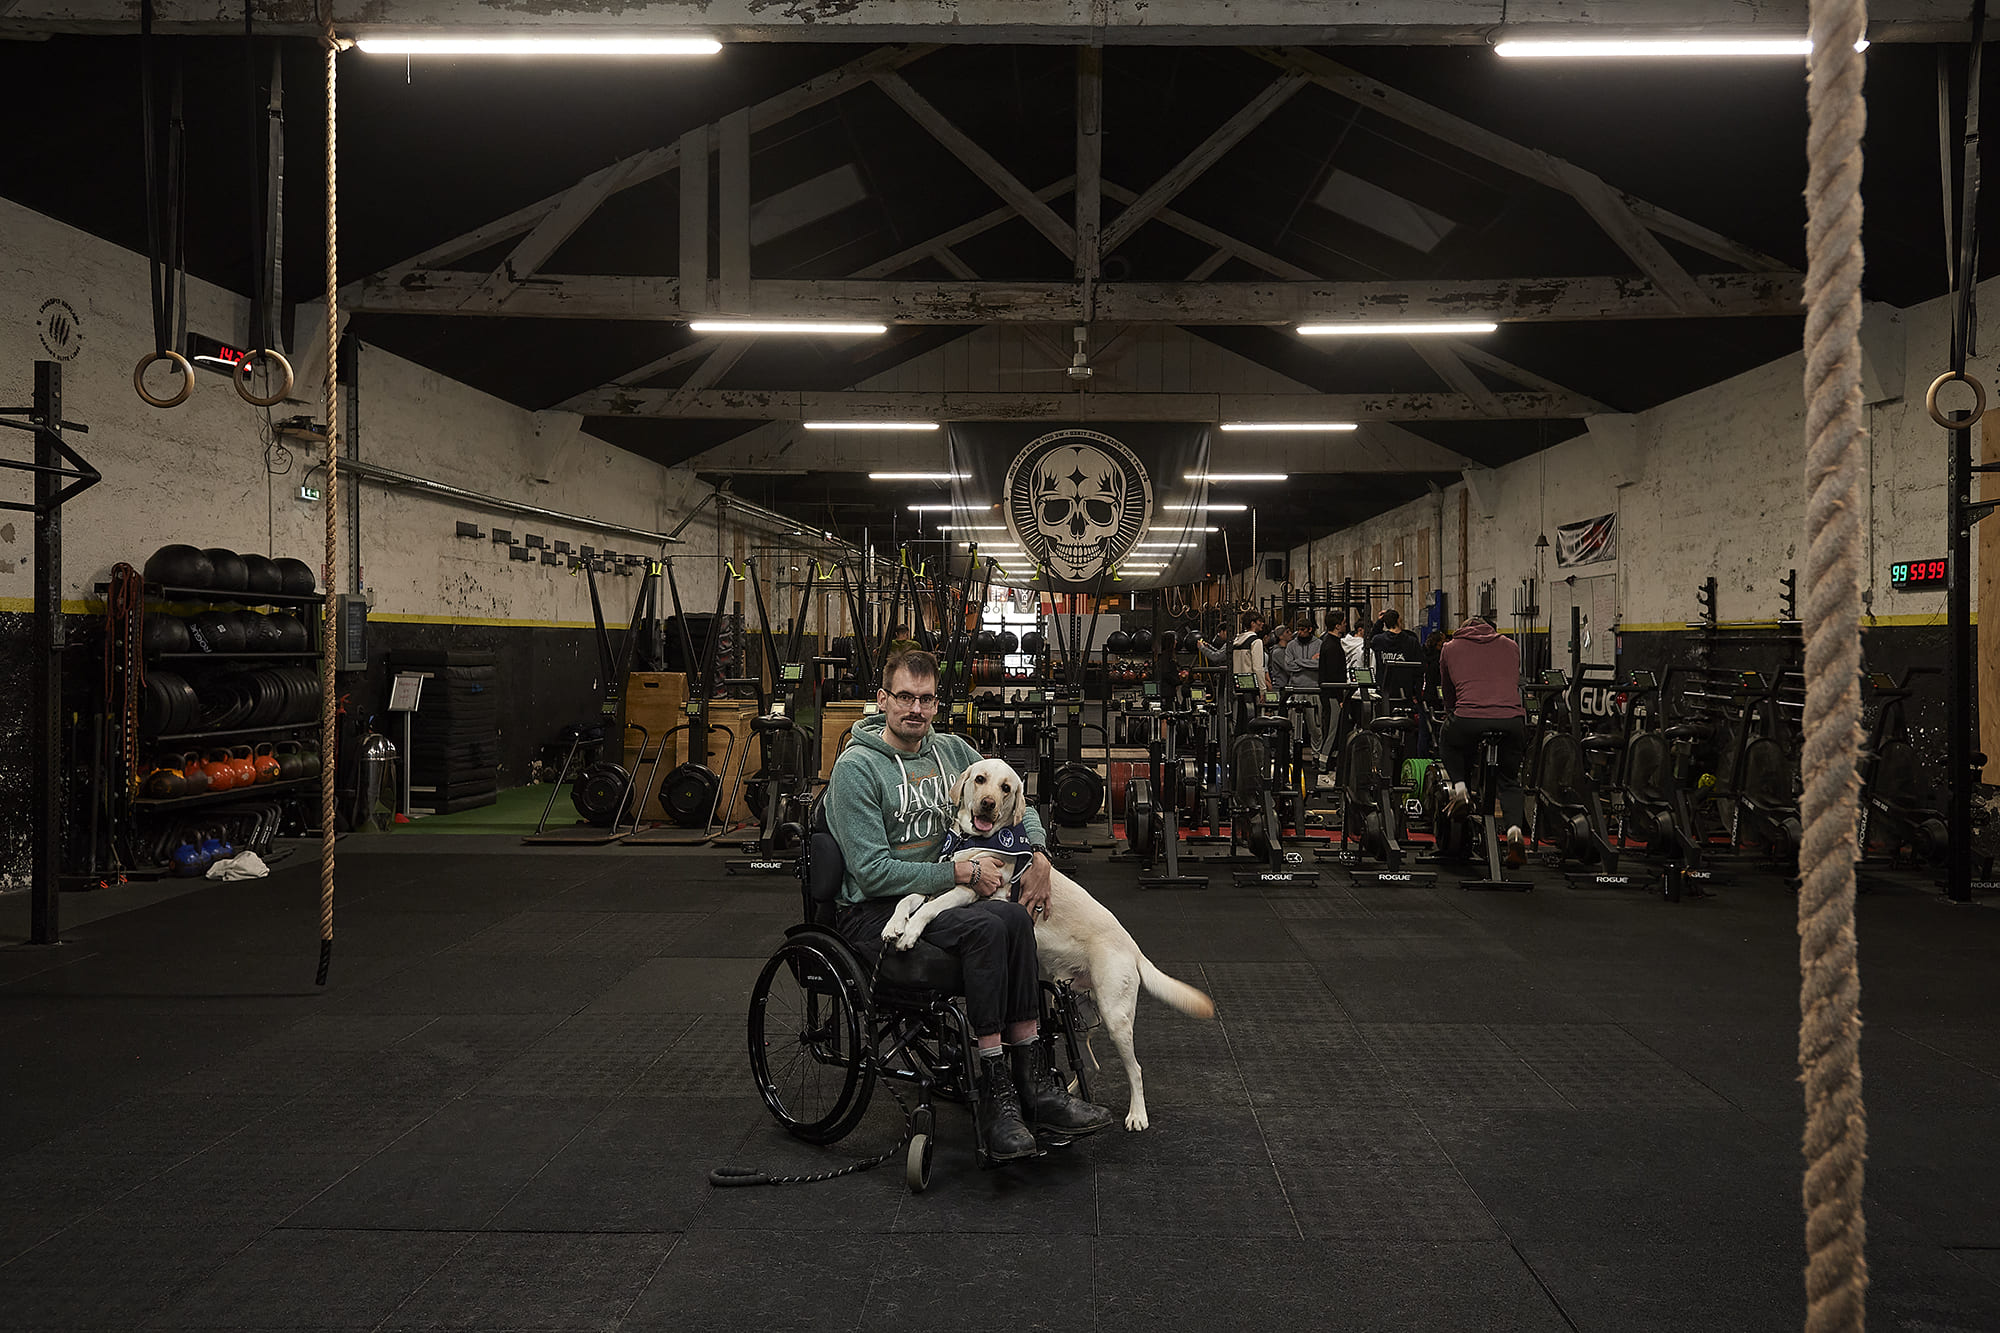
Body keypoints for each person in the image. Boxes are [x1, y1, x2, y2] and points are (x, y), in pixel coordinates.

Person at [825, 649, 1115, 1160]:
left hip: (944, 895)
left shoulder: (955, 752)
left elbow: (1019, 804)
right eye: (905, 697)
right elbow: (871, 873)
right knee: (992, 926)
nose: (916, 709)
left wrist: (1039, 854)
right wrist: (955, 873)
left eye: (926, 699)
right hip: (876, 910)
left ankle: (1032, 1085)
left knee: (1013, 916)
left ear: (937, 704)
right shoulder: (857, 769)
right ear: (883, 700)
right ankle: (997, 1095)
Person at [1437, 616, 1529, 866]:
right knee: (1509, 779)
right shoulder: (1511, 645)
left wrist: (1451, 711)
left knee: (1449, 741)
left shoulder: (1450, 648)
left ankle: (1461, 790)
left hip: (1469, 717)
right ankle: (1514, 832)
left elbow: (1448, 690)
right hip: (1511, 721)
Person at [1230, 611, 1268, 691]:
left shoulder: (1237, 641)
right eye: (1260, 621)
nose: (1262, 623)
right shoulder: (1256, 641)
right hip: (1251, 684)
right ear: (1252, 623)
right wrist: (1262, 689)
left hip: (1237, 683)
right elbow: (1258, 668)